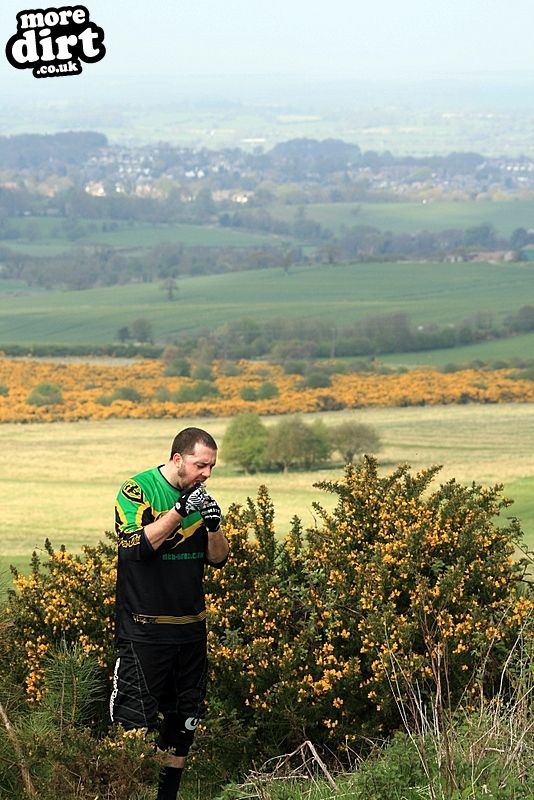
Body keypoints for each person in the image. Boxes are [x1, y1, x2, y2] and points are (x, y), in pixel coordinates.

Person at [109, 426, 229, 800]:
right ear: (178, 459)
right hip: (144, 631)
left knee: (182, 728)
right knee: (133, 726)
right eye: (200, 465)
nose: (206, 474)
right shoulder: (137, 489)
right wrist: (179, 511)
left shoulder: (201, 494)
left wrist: (214, 526)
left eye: (211, 467)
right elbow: (134, 547)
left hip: (191, 632)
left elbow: (218, 558)